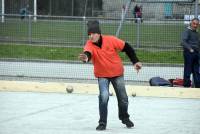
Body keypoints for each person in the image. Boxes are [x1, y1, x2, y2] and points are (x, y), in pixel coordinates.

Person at [79, 20, 142, 130]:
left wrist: (135, 61)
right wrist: (85, 58)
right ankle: (102, 122)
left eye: (93, 34)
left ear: (99, 33)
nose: (91, 36)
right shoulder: (89, 44)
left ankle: (124, 117)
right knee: (104, 96)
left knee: (123, 98)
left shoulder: (110, 40)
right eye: (89, 34)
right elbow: (87, 54)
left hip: (117, 73)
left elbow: (127, 47)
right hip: (102, 75)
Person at [181, 18, 200, 88]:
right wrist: (190, 49)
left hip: (196, 53)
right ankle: (186, 86)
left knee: (196, 71)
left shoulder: (197, 33)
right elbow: (183, 42)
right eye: (194, 24)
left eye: (197, 24)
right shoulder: (187, 31)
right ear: (191, 23)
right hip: (189, 53)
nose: (195, 25)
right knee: (188, 70)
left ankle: (198, 86)